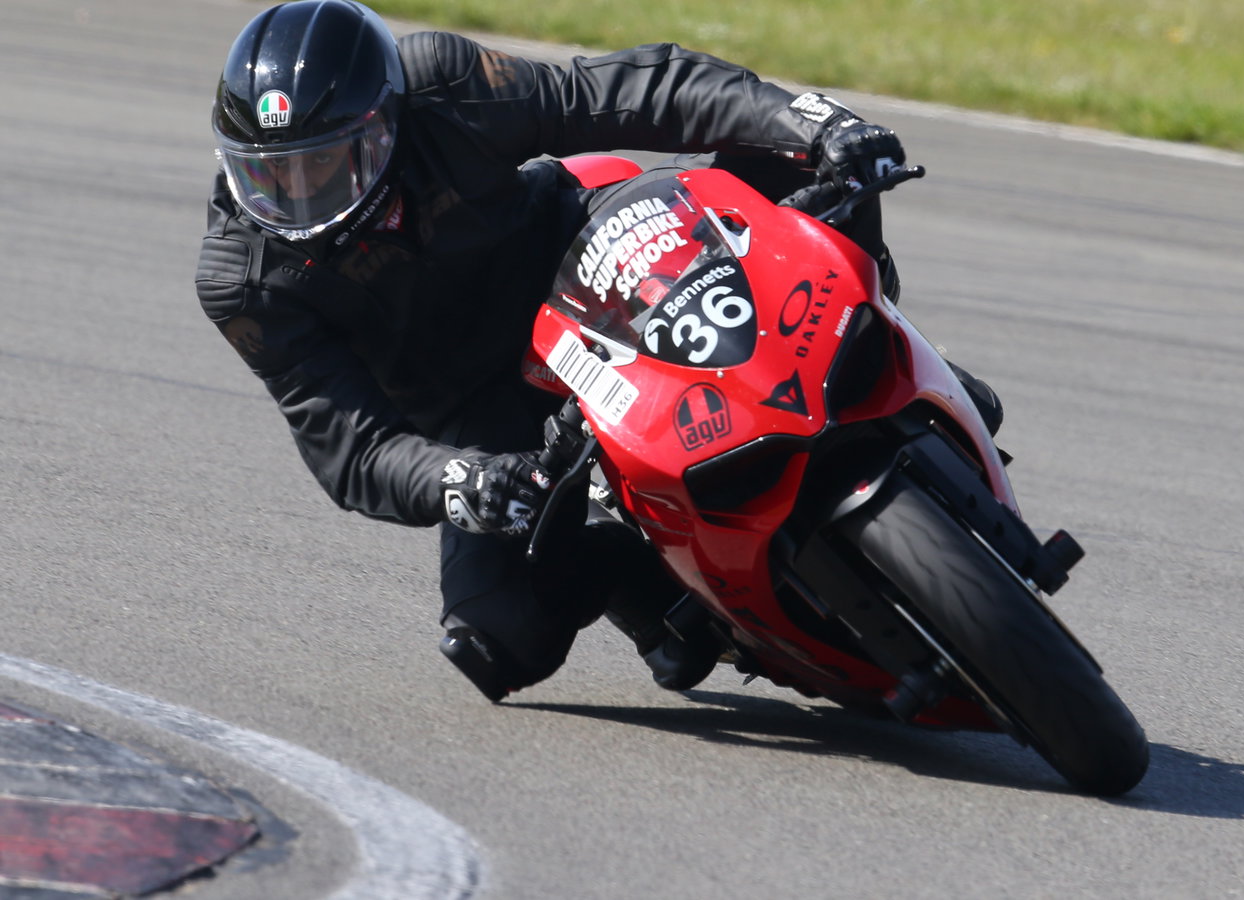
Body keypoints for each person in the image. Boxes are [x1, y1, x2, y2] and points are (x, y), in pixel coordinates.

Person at [195, 0, 991, 703]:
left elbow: (628, 92)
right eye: (270, 176)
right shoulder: (244, 281)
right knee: (495, 641)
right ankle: (648, 584)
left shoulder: (442, 84)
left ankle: (891, 353)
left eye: (324, 161)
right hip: (482, 406)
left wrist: (817, 123)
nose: (299, 195)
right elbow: (352, 449)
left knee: (791, 155)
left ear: (386, 120)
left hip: (578, 258)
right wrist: (460, 478)